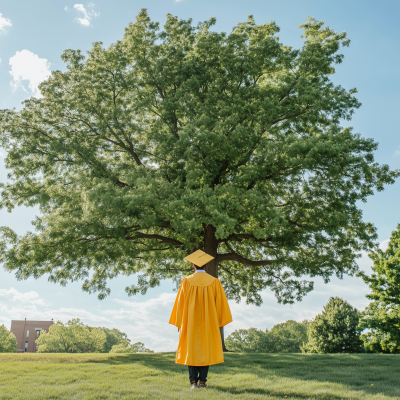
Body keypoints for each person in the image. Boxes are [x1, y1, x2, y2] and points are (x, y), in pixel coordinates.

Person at [169, 250, 233, 389]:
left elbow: (180, 303)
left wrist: (180, 321)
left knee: (191, 350)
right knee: (205, 349)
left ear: (193, 265)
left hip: (190, 322)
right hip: (208, 322)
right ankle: (202, 382)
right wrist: (219, 321)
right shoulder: (214, 282)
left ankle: (193, 383)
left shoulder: (186, 281)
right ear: (206, 265)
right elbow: (221, 304)